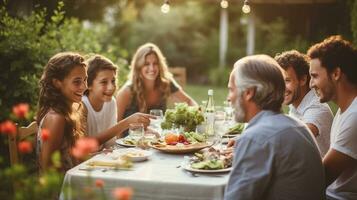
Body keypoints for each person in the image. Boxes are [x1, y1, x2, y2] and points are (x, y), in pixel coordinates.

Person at [224, 55, 324, 200]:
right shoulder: (297, 126)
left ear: (249, 92)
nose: (229, 98)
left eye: (232, 90)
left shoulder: (256, 137)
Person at [36, 52, 153, 172]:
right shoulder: (56, 118)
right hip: (65, 186)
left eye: (85, 80)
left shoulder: (69, 112)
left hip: (75, 176)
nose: (84, 86)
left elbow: (70, 158)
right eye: (77, 82)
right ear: (57, 83)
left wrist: (98, 157)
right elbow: (47, 169)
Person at [307, 35, 357, 199]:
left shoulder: (354, 116)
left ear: (336, 73)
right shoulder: (345, 111)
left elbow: (321, 177)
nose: (311, 84)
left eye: (315, 76)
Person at [116, 43, 197, 134]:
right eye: (146, 64)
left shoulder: (165, 83)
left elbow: (189, 101)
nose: (152, 68)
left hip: (158, 142)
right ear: (139, 66)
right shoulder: (127, 91)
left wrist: (194, 117)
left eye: (155, 63)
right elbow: (114, 126)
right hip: (130, 145)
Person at [275, 50, 333, 157]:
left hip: (321, 173)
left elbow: (294, 142)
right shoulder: (296, 104)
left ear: (302, 79)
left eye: (287, 80)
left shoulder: (316, 109)